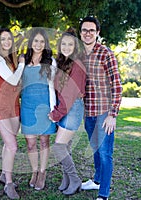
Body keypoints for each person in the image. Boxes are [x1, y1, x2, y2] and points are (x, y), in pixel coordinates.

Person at [79, 16, 123, 200]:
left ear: (97, 33)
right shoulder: (78, 55)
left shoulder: (106, 53)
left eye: (91, 30)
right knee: (96, 149)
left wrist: (112, 115)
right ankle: (96, 181)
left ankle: (103, 194)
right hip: (88, 113)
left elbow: (117, 85)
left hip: (104, 113)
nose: (87, 33)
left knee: (105, 154)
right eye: (84, 30)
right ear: (80, 33)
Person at [49, 28, 86, 195]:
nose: (66, 47)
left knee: (58, 147)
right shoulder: (62, 62)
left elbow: (70, 94)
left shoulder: (77, 64)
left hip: (72, 108)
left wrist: (56, 114)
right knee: (66, 147)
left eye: (70, 44)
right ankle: (67, 180)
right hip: (64, 107)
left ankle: (75, 179)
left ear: (75, 46)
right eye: (63, 44)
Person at [20, 27, 57, 190]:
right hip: (27, 106)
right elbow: (15, 80)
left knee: (44, 141)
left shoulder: (51, 61)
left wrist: (54, 109)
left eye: (42, 41)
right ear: (31, 42)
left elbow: (55, 86)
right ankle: (34, 171)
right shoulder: (22, 59)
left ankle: (42, 172)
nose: (39, 44)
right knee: (30, 144)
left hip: (45, 107)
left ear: (46, 44)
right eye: (36, 41)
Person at [0, 28, 24, 199]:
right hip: (2, 107)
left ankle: (4, 174)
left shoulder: (12, 60)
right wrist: (23, 64)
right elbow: (12, 80)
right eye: (2, 39)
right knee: (12, 146)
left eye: (9, 39)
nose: (6, 42)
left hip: (14, 106)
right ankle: (9, 184)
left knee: (8, 143)